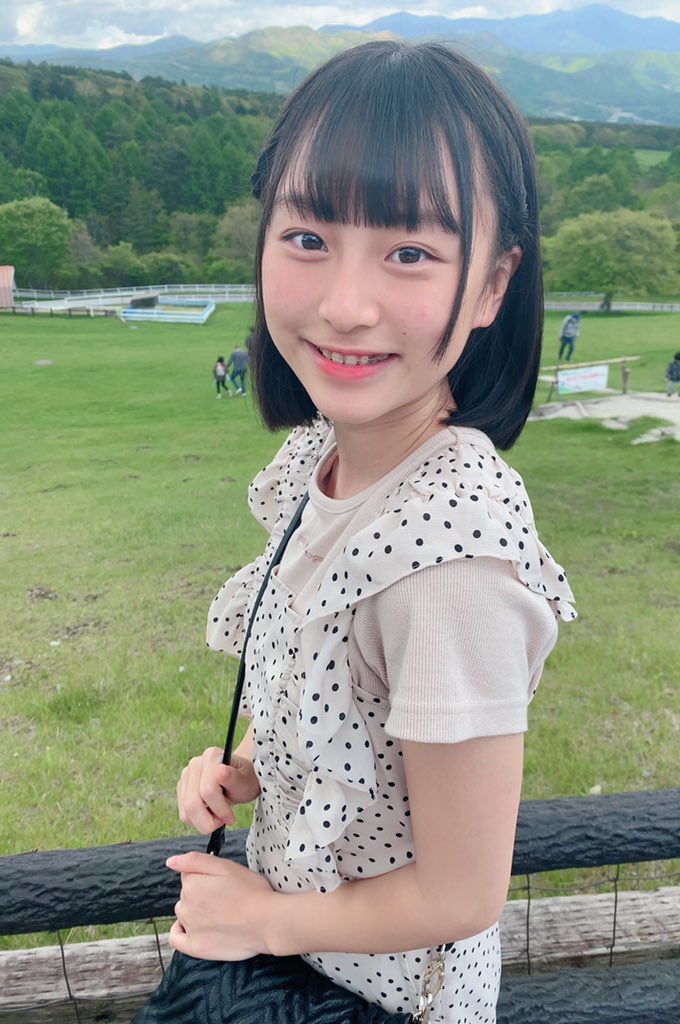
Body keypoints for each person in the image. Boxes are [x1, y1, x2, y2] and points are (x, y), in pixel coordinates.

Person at [170, 41, 576, 1023]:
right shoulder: (324, 463)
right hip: (298, 973)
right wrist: (249, 766)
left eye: (410, 253)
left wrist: (267, 918)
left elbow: (461, 893)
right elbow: (333, 690)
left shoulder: (451, 557)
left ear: (492, 286)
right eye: (308, 237)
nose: (344, 305)